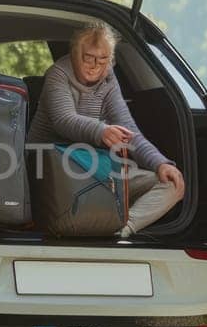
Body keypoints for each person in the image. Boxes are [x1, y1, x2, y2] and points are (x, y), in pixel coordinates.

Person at [28, 22, 187, 237]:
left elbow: (129, 129)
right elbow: (63, 120)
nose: (95, 66)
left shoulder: (109, 79)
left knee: (172, 184)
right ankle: (99, 221)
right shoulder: (58, 74)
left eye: (102, 60)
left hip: (96, 168)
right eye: (89, 58)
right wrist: (101, 131)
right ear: (75, 53)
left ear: (110, 59)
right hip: (53, 170)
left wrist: (159, 163)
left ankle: (121, 229)